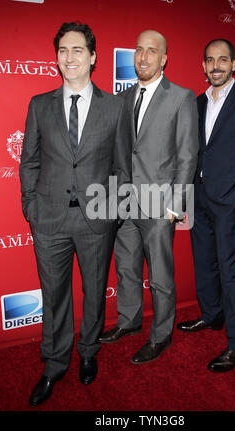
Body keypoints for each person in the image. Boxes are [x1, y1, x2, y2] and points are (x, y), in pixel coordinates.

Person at [20, 21, 131, 406]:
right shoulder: (39, 105)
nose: (70, 57)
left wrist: (113, 210)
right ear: (57, 57)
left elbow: (122, 169)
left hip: (96, 220)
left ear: (93, 57)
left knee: (95, 292)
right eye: (63, 51)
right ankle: (53, 365)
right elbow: (29, 161)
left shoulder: (115, 107)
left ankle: (88, 352)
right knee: (54, 297)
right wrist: (30, 206)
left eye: (78, 50)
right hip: (48, 219)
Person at [99, 30, 199, 364]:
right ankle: (128, 322)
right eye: (139, 50)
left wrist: (175, 205)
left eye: (151, 51)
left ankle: (161, 334)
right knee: (126, 268)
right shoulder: (124, 97)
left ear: (164, 58)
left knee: (159, 275)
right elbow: (122, 152)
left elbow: (187, 155)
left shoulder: (181, 97)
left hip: (160, 204)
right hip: (125, 201)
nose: (143, 57)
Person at [177, 39, 235, 372]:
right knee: (204, 264)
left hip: (229, 202)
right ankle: (212, 316)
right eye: (210, 60)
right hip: (198, 199)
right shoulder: (196, 103)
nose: (216, 65)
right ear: (203, 66)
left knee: (230, 272)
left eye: (223, 60)